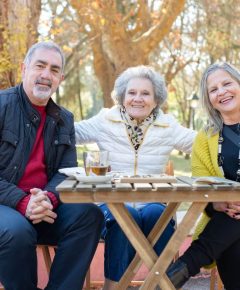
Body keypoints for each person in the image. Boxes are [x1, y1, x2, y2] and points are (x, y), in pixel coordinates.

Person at [75, 65, 196, 290]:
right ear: (122, 96)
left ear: (156, 98)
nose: (137, 99)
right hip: (109, 207)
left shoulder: (168, 125)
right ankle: (113, 287)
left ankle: (162, 284)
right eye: (132, 93)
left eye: (145, 93)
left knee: (157, 213)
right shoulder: (105, 120)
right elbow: (69, 133)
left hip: (152, 203)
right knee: (124, 216)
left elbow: (201, 144)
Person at [0, 41, 103, 290]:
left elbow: (66, 171)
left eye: (54, 70)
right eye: (40, 66)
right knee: (17, 230)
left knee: (90, 215)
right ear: (25, 68)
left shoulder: (63, 118)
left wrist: (47, 198)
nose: (46, 75)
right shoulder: (2, 106)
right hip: (5, 205)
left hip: (44, 206)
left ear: (61, 78)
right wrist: (23, 202)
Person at [166, 62, 240, 290]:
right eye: (213, 89)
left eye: (227, 83)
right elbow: (202, 187)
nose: (222, 92)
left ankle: (176, 273)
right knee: (233, 235)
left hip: (224, 230)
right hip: (228, 220)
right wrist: (218, 203)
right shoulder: (205, 138)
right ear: (209, 99)